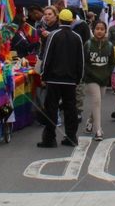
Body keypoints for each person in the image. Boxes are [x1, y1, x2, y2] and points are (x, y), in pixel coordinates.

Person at [37, 8, 84, 148]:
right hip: (70, 81)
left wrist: (43, 74)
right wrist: (78, 79)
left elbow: (47, 57)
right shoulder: (77, 37)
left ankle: (50, 138)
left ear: (59, 19)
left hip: (53, 79)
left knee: (51, 109)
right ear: (71, 20)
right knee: (71, 109)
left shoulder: (53, 35)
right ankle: (71, 137)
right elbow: (80, 61)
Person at [83, 20, 115, 141]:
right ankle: (98, 130)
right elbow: (84, 62)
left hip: (104, 78)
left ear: (105, 31)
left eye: (102, 29)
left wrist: (108, 73)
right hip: (91, 78)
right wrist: (89, 73)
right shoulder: (88, 44)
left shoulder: (110, 45)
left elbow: (112, 62)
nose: (99, 31)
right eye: (97, 28)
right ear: (93, 30)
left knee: (98, 102)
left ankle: (90, 120)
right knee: (96, 101)